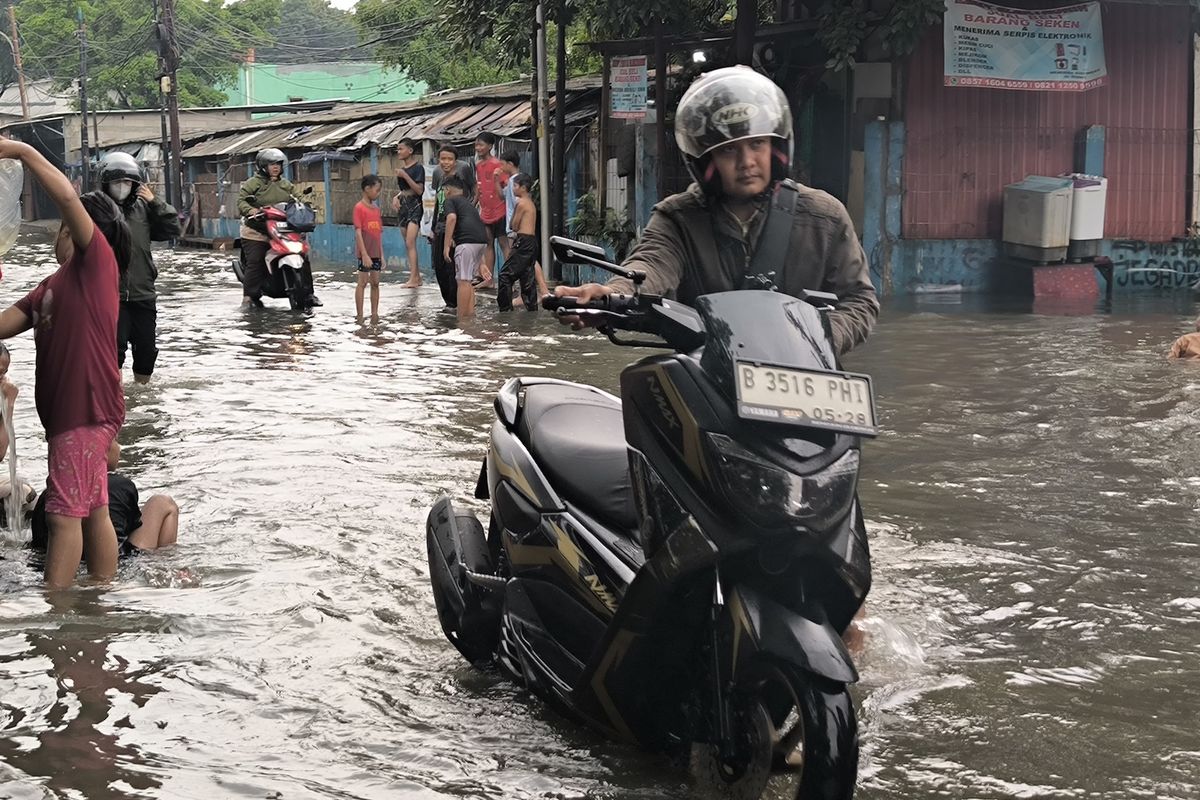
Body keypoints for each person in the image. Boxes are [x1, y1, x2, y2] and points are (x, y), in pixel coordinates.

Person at [555, 66, 878, 355]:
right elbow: (650, 266)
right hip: (707, 376)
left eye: (757, 144)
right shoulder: (678, 219)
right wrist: (610, 295)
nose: (746, 162)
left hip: (805, 379)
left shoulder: (825, 217)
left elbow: (859, 300)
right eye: (728, 150)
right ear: (706, 162)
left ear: (777, 148)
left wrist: (818, 340)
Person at [0, 135, 130, 587]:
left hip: (84, 409)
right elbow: (4, 324)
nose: (62, 235)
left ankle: (60, 607)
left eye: (66, 228)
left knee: (62, 515)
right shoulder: (50, 287)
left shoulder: (97, 266)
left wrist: (23, 152)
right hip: (73, 415)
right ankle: (101, 592)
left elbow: (68, 199)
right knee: (92, 509)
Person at [98, 152, 181, 383]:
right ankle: (115, 395)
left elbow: (172, 229)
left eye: (127, 182)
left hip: (143, 292)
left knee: (146, 350)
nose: (122, 186)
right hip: (110, 294)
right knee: (114, 350)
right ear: (106, 184)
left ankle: (143, 394)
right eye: (117, 181)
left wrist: (155, 202)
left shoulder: (144, 209)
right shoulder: (97, 210)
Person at [31, 441, 179, 556]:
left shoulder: (50, 492)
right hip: (116, 561)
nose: (119, 447)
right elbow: (133, 525)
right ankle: (165, 563)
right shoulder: (119, 485)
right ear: (105, 449)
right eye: (116, 440)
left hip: (58, 561)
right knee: (163, 504)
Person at [237, 148, 320, 308]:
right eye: (271, 164)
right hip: (257, 230)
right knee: (256, 260)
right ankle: (249, 297)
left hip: (283, 228)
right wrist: (251, 210)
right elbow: (241, 201)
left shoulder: (285, 185)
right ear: (263, 166)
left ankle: (309, 294)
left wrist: (306, 206)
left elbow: (299, 197)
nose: (275, 167)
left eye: (278, 164)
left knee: (303, 255)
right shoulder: (253, 183)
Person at [428, 145, 476, 310]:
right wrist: (432, 227)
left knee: (453, 267)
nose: (446, 162)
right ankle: (449, 302)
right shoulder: (437, 173)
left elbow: (474, 190)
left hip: (457, 225)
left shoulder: (464, 170)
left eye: (449, 159)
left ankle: (456, 304)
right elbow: (437, 200)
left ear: (455, 161)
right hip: (440, 226)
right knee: (439, 266)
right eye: (443, 159)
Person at [498, 151, 549, 301]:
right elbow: (503, 197)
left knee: (516, 267)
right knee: (526, 266)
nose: (500, 167)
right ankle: (530, 296)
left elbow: (515, 215)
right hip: (522, 235)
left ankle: (540, 291)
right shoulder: (517, 185)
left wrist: (513, 223)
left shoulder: (517, 188)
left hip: (519, 234)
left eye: (502, 164)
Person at [442, 176, 488, 318]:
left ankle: (462, 318)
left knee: (462, 281)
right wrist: (482, 262)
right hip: (481, 242)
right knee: (468, 281)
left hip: (466, 244)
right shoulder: (468, 204)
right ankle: (470, 315)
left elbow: (451, 218)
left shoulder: (450, 201)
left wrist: (446, 245)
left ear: (447, 190)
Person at [498, 174, 539, 312]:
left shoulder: (521, 203)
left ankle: (505, 309)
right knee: (527, 278)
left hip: (523, 241)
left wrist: (514, 210)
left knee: (505, 275)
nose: (513, 188)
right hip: (531, 242)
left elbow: (513, 226)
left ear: (523, 188)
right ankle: (532, 309)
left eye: (515, 186)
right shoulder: (530, 203)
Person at [391, 138, 425, 288]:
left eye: (401, 149)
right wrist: (396, 196)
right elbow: (404, 190)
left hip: (415, 205)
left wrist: (405, 175)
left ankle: (413, 278)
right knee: (407, 243)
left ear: (410, 151)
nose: (398, 152)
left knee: (411, 241)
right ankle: (416, 277)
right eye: (397, 149)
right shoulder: (402, 169)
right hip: (403, 205)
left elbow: (419, 190)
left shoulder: (418, 168)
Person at [474, 132, 506, 285]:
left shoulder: (497, 164)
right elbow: (478, 187)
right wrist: (474, 203)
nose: (478, 148)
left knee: (504, 244)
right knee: (488, 243)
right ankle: (489, 279)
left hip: (500, 210)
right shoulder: (478, 165)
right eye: (476, 145)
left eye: (481, 145)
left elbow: (505, 186)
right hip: (485, 210)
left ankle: (511, 278)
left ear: (490, 146)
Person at [354, 174, 385, 319]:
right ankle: (360, 315)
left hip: (376, 252)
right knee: (362, 282)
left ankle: (374, 313)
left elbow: (379, 234)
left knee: (376, 283)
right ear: (367, 189)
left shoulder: (376, 210)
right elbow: (358, 232)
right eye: (376, 190)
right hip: (365, 253)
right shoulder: (359, 208)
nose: (378, 193)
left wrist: (382, 255)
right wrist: (364, 254)